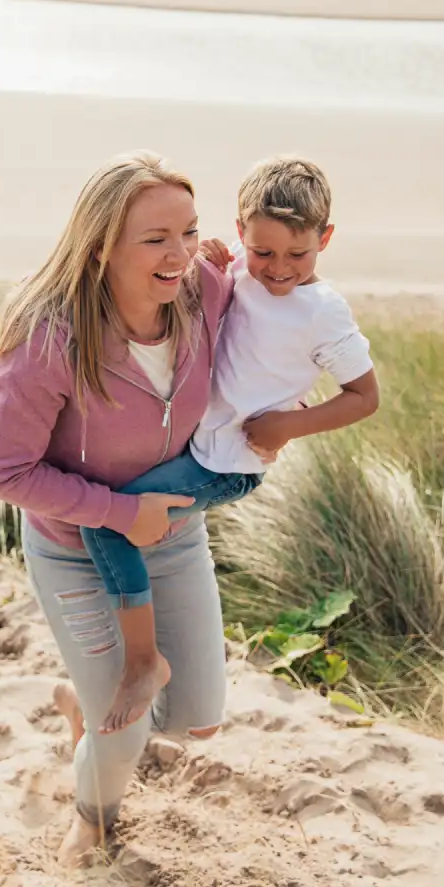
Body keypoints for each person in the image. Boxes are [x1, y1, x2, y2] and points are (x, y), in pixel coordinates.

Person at [0, 151, 232, 865]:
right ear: (100, 248)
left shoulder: (205, 290)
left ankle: (78, 708)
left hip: (175, 539)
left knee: (200, 721)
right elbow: (3, 470)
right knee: (125, 733)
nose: (180, 253)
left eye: (189, 231)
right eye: (155, 239)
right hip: (75, 547)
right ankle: (91, 817)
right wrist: (120, 514)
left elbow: (279, 293)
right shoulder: (49, 336)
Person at [82, 155, 381, 735]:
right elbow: (201, 276)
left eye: (299, 254)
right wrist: (213, 254)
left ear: (326, 239)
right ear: (242, 230)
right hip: (195, 443)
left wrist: (287, 426)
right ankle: (132, 657)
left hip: (227, 461)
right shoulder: (241, 265)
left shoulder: (323, 312)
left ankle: (145, 661)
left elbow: (364, 396)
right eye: (264, 251)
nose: (278, 268)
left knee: (106, 521)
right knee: (125, 523)